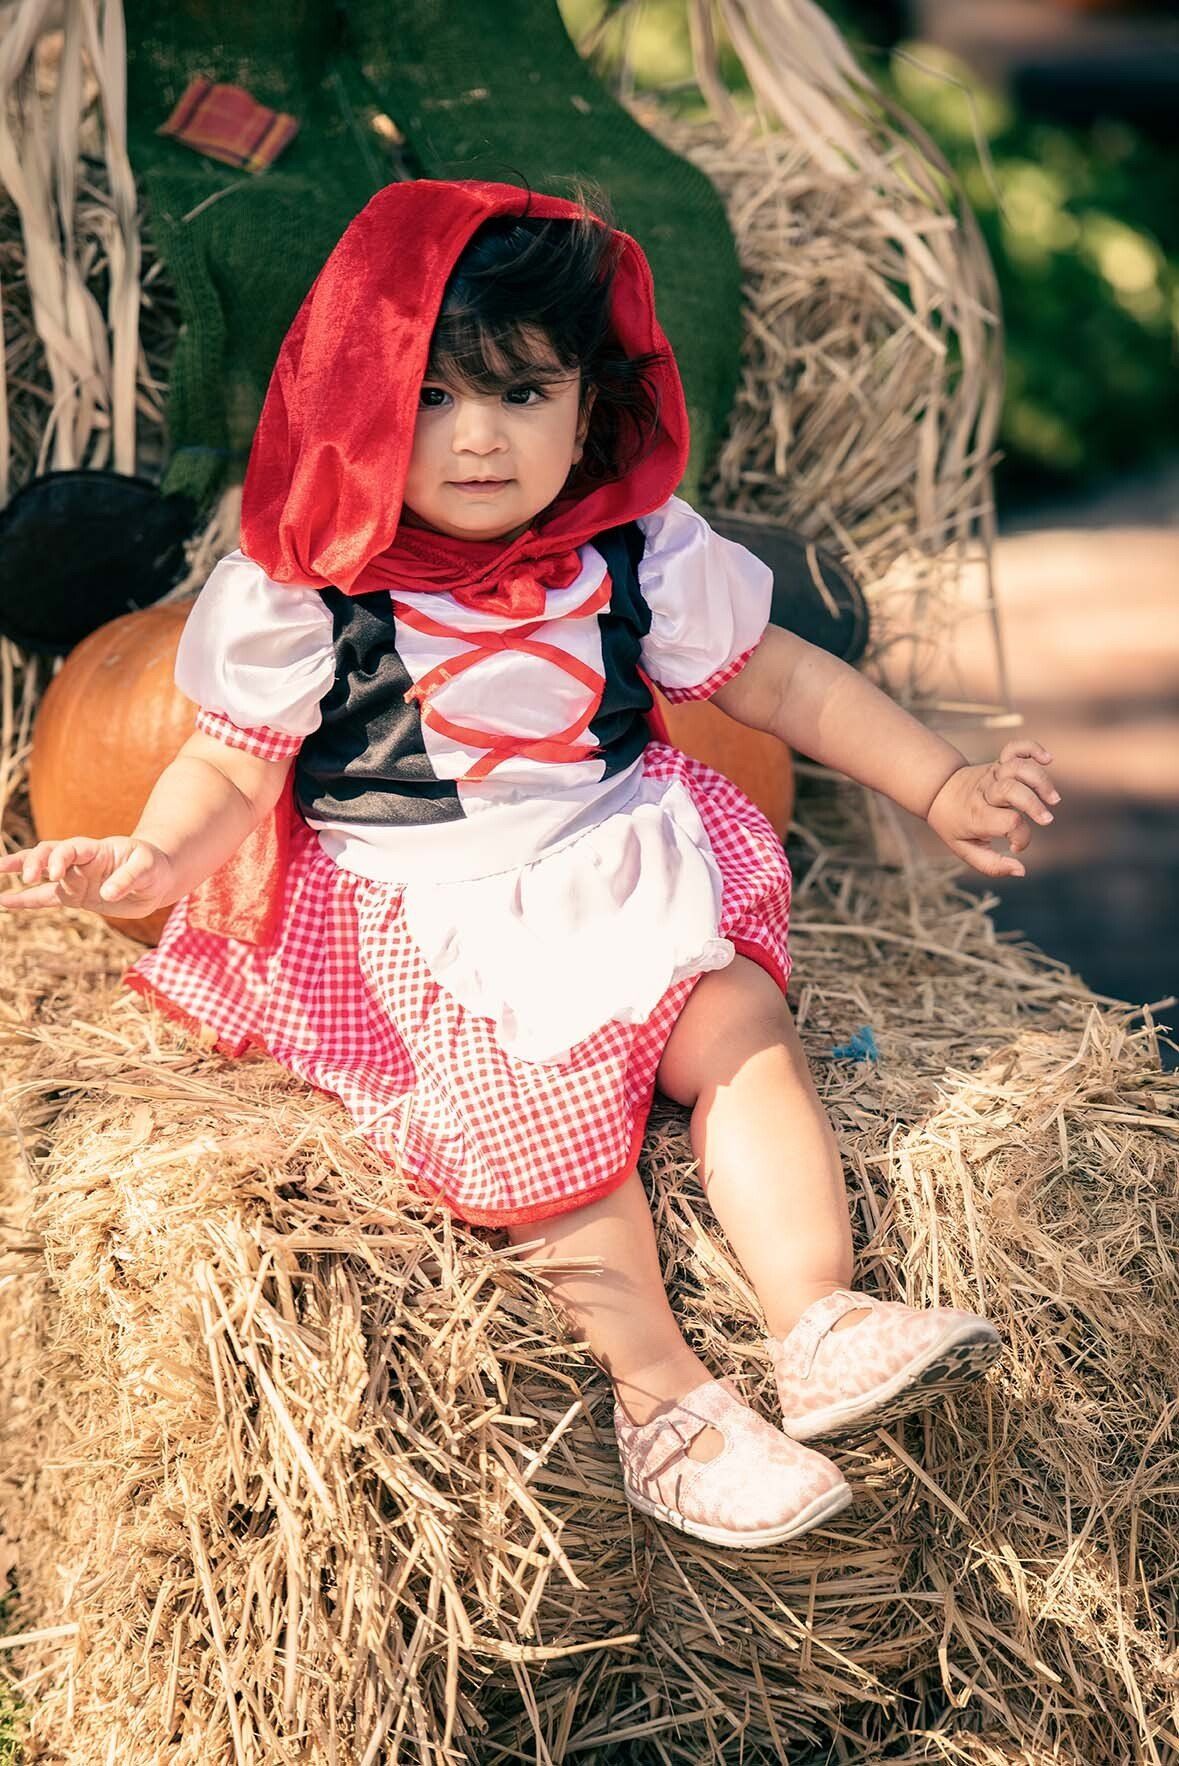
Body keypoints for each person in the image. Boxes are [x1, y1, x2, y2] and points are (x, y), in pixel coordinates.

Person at [0, 179, 1060, 1551]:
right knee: (548, 1141)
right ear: (361, 406)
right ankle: (663, 1399)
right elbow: (229, 764)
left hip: (616, 856)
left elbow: (786, 682)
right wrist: (152, 855)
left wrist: (939, 778)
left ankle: (818, 1316)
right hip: (434, 908)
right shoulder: (315, 587)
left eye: (521, 392)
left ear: (590, 401)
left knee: (740, 1021)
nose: (480, 436)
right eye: (431, 398)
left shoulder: (634, 554)